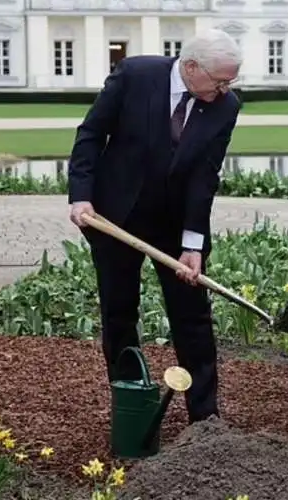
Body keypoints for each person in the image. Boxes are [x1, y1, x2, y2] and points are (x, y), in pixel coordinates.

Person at [66, 29, 242, 424]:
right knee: (119, 314)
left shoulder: (225, 106)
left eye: (232, 81)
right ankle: (133, 409)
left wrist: (193, 244)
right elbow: (91, 134)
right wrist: (81, 195)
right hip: (115, 218)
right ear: (192, 67)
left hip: (175, 224)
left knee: (192, 314)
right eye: (221, 80)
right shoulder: (134, 75)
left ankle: (205, 417)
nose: (227, 88)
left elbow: (204, 176)